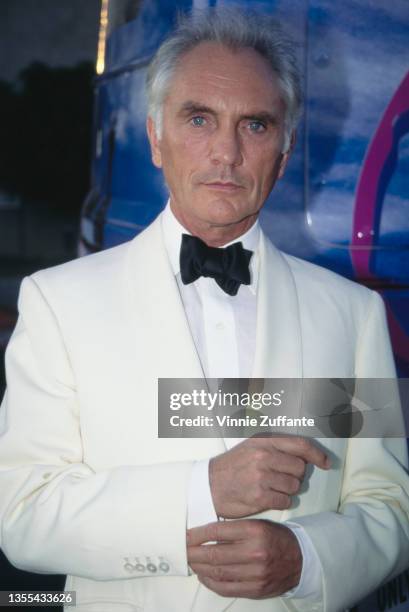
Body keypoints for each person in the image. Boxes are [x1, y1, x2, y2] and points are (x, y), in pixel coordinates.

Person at [0, 7, 408, 612]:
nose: (226, 152)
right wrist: (204, 490)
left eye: (256, 125)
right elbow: (21, 514)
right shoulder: (58, 303)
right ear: (155, 138)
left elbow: (389, 505)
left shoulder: (353, 316)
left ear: (286, 147)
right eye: (199, 119)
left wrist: (308, 558)